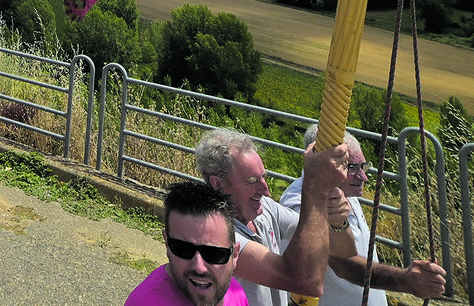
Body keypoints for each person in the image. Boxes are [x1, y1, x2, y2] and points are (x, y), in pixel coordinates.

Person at [278, 126, 448, 306]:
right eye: (352, 167)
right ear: (322, 162)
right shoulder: (299, 204)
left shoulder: (344, 191)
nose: (364, 177)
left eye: (364, 166)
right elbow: (343, 265)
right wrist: (404, 280)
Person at [195, 128, 352, 306]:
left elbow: (343, 251)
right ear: (218, 184)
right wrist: (315, 188)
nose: (266, 190)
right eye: (253, 181)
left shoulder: (265, 208)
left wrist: (338, 221)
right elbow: (307, 283)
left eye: (264, 177)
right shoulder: (215, 235)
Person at [123, 180, 244, 306]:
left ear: (234, 255)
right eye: (183, 249)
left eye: (214, 254)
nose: (199, 267)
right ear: (167, 244)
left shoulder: (235, 292)